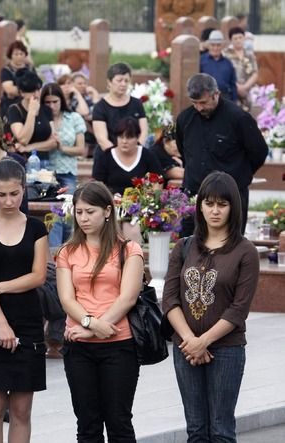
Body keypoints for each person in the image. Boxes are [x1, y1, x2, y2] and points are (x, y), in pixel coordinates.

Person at [162, 171, 259, 443]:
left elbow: (239, 308)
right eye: (209, 203)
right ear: (200, 205)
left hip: (226, 350)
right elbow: (170, 299)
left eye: (222, 204)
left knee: (221, 430)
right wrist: (191, 341)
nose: (215, 211)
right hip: (186, 348)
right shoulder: (183, 247)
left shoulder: (245, 251)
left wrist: (204, 341)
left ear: (233, 207)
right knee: (195, 430)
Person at [56, 181, 144, 442]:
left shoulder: (129, 249)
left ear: (107, 211)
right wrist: (91, 325)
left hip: (119, 344)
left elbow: (127, 297)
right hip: (78, 344)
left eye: (90, 211)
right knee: (87, 424)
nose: (83, 218)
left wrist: (97, 327)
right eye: (79, 211)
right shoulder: (67, 252)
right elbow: (66, 298)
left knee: (119, 422)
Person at [0, 158, 48, 443]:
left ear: (24, 189)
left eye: (15, 193)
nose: (8, 200)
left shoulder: (36, 228)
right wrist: (1, 323)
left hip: (28, 320)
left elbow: (38, 276)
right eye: (1, 194)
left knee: (21, 409)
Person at [175, 73, 268, 236]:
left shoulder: (238, 118)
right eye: (194, 103)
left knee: (229, 250)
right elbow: (185, 152)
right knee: (190, 247)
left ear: (216, 94)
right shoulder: (185, 119)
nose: (199, 108)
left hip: (230, 196)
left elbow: (259, 151)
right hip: (194, 194)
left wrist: (239, 174)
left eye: (203, 102)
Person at [41, 82, 86, 246]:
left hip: (67, 172)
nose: (52, 106)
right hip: (44, 174)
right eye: (48, 102)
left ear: (62, 101)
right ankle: (52, 257)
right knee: (51, 217)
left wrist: (62, 147)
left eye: (55, 101)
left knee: (67, 215)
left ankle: (68, 250)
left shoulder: (73, 118)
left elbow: (81, 149)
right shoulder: (40, 119)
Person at [92, 116, 162, 196]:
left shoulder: (148, 155)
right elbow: (97, 184)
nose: (124, 141)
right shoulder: (105, 156)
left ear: (137, 137)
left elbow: (158, 181)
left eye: (129, 137)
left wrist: (150, 199)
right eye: (121, 137)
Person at [92, 63, 149, 152]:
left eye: (126, 81)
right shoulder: (100, 107)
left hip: (134, 154)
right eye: (119, 80)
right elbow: (102, 139)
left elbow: (144, 131)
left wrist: (136, 150)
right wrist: (119, 156)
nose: (123, 84)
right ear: (109, 82)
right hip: (108, 154)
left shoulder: (137, 103)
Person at [7, 70, 56, 160]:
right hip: (22, 161)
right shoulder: (15, 110)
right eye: (32, 91)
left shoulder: (46, 109)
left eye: (38, 90)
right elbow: (23, 139)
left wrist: (29, 148)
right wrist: (31, 113)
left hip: (45, 162)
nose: (37, 94)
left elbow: (53, 142)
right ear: (22, 93)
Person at [223, 27, 259, 112]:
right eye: (235, 38)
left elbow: (255, 73)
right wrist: (237, 87)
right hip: (232, 91)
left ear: (244, 38)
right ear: (231, 40)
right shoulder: (225, 54)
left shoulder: (249, 54)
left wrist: (245, 87)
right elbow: (224, 73)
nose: (238, 40)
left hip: (248, 91)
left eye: (240, 38)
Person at [199, 30, 237, 102]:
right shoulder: (201, 60)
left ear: (222, 46)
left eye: (218, 45)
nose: (215, 48)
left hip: (225, 98)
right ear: (209, 45)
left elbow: (233, 85)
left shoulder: (228, 63)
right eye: (213, 45)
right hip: (207, 98)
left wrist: (234, 102)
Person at [0, 41, 33, 119]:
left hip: (28, 105)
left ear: (25, 55)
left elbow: (37, 87)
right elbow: (10, 90)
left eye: (21, 54)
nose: (19, 56)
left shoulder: (30, 69)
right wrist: (29, 91)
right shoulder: (6, 70)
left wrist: (19, 90)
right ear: (11, 55)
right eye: (16, 54)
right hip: (10, 105)